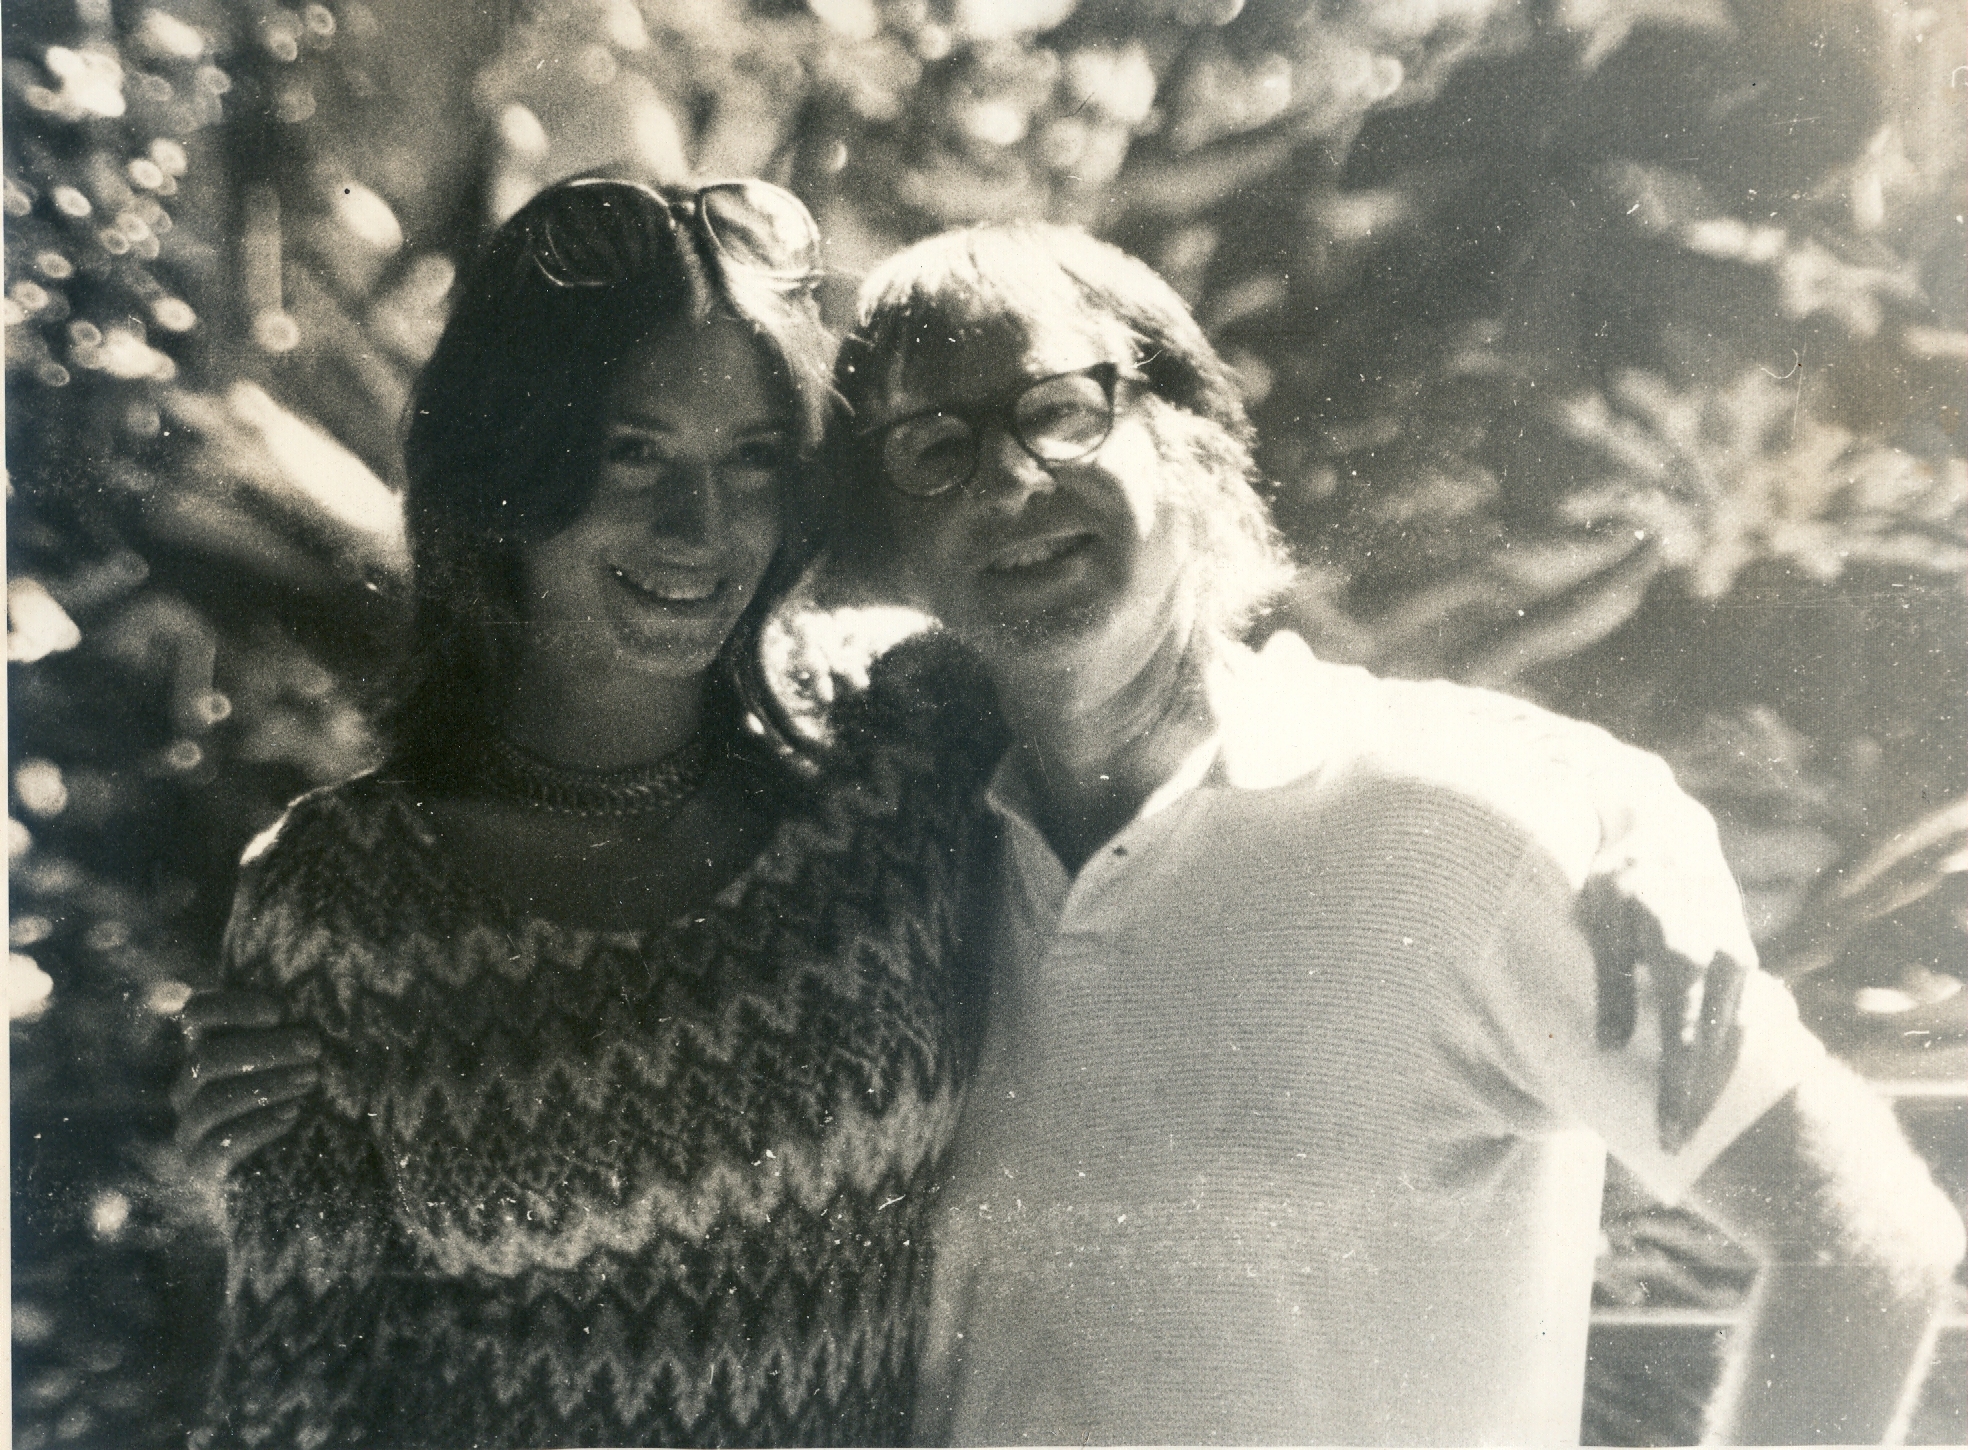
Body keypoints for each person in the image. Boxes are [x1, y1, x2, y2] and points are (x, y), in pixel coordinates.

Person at [825, 222, 1966, 1445]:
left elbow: (1865, 1240)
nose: (1006, 480)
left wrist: (1640, 811)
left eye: (1061, 411)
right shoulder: (907, 840)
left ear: (1195, 438)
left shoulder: (1454, 825)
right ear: (895, 542)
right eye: (933, 450)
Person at [173, 175, 1002, 1449]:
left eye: (752, 459)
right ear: (512, 468)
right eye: (635, 453)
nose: (702, 528)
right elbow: (291, 1397)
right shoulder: (341, 898)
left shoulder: (907, 729)